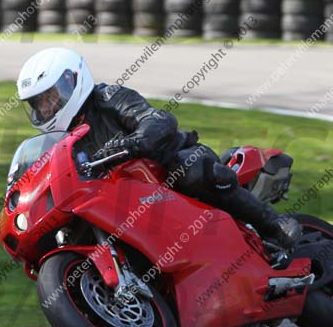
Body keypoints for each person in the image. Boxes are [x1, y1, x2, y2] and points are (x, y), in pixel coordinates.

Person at [16, 47, 302, 249]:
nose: (46, 107)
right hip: (126, 197)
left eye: (49, 97)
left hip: (165, 168)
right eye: (38, 104)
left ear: (71, 80)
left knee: (189, 170)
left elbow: (156, 118)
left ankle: (273, 224)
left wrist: (137, 139)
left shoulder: (109, 98)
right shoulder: (62, 142)